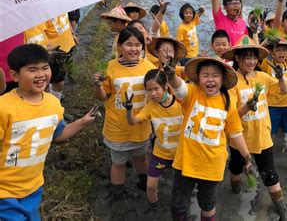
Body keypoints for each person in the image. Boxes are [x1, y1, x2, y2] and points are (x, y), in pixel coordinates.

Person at [0, 44, 97, 220]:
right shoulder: (4, 107)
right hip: (4, 191)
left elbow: (58, 134)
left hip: (34, 185)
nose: (40, 74)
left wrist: (82, 122)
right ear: (14, 75)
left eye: (45, 68)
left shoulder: (53, 104)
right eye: (32, 70)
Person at [165, 57, 252, 221]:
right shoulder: (192, 92)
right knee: (177, 203)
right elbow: (179, 88)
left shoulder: (228, 102)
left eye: (215, 75)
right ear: (198, 78)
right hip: (186, 161)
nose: (210, 79)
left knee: (207, 204)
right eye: (205, 75)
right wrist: (171, 76)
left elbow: (235, 133)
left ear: (223, 79)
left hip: (212, 164)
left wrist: (247, 156)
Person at [222, 35, 287, 221]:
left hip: (263, 137)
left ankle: (282, 211)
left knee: (270, 174)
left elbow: (283, 90)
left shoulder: (263, 77)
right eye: (247, 57)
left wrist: (281, 77)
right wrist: (247, 106)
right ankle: (235, 191)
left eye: (254, 58)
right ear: (238, 58)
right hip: (240, 139)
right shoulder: (231, 82)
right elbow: (232, 117)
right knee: (236, 169)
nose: (252, 62)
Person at [93, 27, 156, 201]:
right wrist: (98, 85)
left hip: (140, 127)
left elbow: (156, 95)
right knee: (118, 163)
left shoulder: (149, 67)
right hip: (117, 128)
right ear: (120, 46)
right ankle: (118, 194)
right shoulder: (111, 67)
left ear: (143, 47)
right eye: (129, 44)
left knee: (141, 158)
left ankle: (144, 184)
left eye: (138, 45)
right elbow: (103, 96)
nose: (134, 49)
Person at [124, 69, 183, 213]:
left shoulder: (181, 103)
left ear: (166, 86)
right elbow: (133, 121)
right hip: (160, 153)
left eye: (156, 88)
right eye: (149, 90)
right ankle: (154, 207)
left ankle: (180, 208)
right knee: (150, 186)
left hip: (182, 153)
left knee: (181, 188)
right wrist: (129, 110)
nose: (153, 93)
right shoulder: (150, 107)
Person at [44, 13, 77, 101]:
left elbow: (66, 19)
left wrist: (72, 33)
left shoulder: (59, 4)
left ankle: (55, 95)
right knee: (57, 83)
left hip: (67, 47)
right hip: (54, 54)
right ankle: (52, 104)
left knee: (60, 77)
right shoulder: (40, 15)